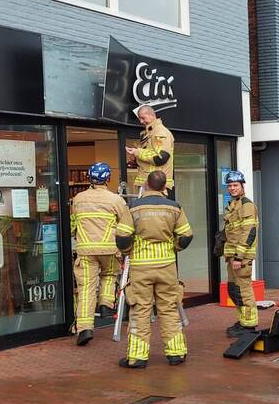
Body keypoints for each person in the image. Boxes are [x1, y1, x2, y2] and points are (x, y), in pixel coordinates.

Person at [121, 170, 193, 368]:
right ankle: (176, 353)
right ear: (164, 187)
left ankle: (137, 357)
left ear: (146, 184)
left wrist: (129, 250)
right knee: (169, 308)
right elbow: (186, 236)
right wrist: (174, 247)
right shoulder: (174, 208)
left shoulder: (134, 207)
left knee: (140, 310)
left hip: (141, 266)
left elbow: (123, 237)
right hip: (167, 266)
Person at [70, 162, 134, 346]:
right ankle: (106, 304)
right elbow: (126, 224)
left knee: (86, 289)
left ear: (89, 178)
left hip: (85, 250)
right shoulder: (115, 200)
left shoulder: (78, 198)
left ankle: (84, 329)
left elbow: (74, 223)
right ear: (108, 178)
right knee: (109, 275)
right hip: (109, 248)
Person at [222, 170, 259, 337]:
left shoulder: (246, 205)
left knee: (243, 291)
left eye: (235, 185)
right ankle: (243, 321)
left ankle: (249, 325)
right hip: (232, 258)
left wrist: (239, 256)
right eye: (229, 186)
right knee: (234, 290)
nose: (232, 188)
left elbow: (249, 232)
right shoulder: (234, 204)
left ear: (242, 185)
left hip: (241, 259)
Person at [126, 105, 175, 196]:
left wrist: (138, 152)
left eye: (143, 118)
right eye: (140, 119)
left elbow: (160, 157)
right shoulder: (150, 133)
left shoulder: (160, 132)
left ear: (152, 115)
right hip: (150, 184)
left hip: (156, 184)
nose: (141, 121)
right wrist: (136, 159)